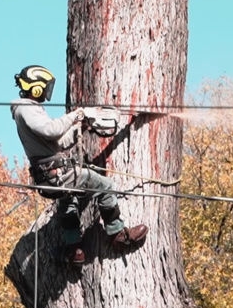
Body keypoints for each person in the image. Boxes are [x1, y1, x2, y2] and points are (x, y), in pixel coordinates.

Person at [11, 64, 148, 265]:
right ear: (36, 87)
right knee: (105, 186)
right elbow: (51, 130)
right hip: (57, 172)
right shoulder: (26, 108)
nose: (47, 93)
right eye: (45, 88)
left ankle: (74, 249)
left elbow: (57, 143)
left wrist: (81, 127)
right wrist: (77, 114)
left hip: (51, 174)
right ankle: (118, 233)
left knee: (69, 202)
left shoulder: (29, 111)